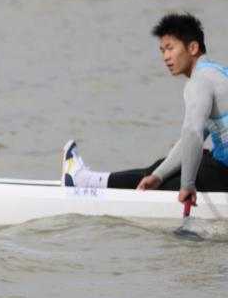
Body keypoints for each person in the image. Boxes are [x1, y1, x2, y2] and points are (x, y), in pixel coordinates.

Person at [63, 13, 228, 204]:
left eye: (171, 48)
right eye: (162, 51)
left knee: (163, 184)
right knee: (160, 172)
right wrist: (158, 175)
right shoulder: (220, 75)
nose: (166, 57)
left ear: (192, 48)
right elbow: (189, 141)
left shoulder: (199, 82)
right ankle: (89, 180)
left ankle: (84, 181)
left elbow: (193, 132)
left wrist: (187, 185)